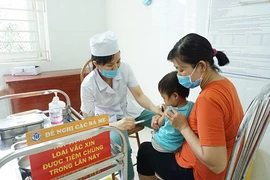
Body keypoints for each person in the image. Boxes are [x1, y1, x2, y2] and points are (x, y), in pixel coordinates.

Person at [137, 33, 244, 180]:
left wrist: (184, 127)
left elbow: (216, 163)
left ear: (201, 66)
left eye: (181, 70)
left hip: (198, 173)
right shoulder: (225, 84)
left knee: (145, 151)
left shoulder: (208, 99)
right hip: (217, 163)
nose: (179, 76)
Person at [80, 31, 162, 180]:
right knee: (123, 148)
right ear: (96, 64)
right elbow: (88, 122)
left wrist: (154, 108)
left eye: (118, 61)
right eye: (111, 65)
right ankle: (128, 177)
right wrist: (115, 125)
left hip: (129, 110)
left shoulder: (125, 68)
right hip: (106, 121)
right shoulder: (88, 85)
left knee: (164, 122)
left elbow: (139, 95)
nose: (117, 67)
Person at [151, 71, 194, 153]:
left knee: (155, 132)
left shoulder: (169, 110)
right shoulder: (192, 106)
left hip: (160, 144)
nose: (164, 100)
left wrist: (161, 115)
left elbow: (159, 123)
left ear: (175, 96)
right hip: (177, 147)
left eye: (164, 98)